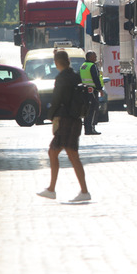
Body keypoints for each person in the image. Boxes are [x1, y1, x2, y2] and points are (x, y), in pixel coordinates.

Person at [37, 50, 91, 202]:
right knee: (70, 154)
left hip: (65, 120)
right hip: (75, 119)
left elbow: (57, 99)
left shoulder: (61, 78)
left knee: (57, 152)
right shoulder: (75, 76)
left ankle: (55, 190)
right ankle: (76, 191)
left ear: (56, 63)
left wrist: (50, 115)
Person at [79, 51, 104, 135]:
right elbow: (95, 78)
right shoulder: (92, 66)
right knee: (93, 109)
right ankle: (91, 128)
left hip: (85, 90)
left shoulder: (83, 66)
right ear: (89, 57)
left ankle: (87, 129)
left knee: (87, 110)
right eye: (94, 56)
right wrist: (100, 89)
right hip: (92, 90)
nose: (96, 57)